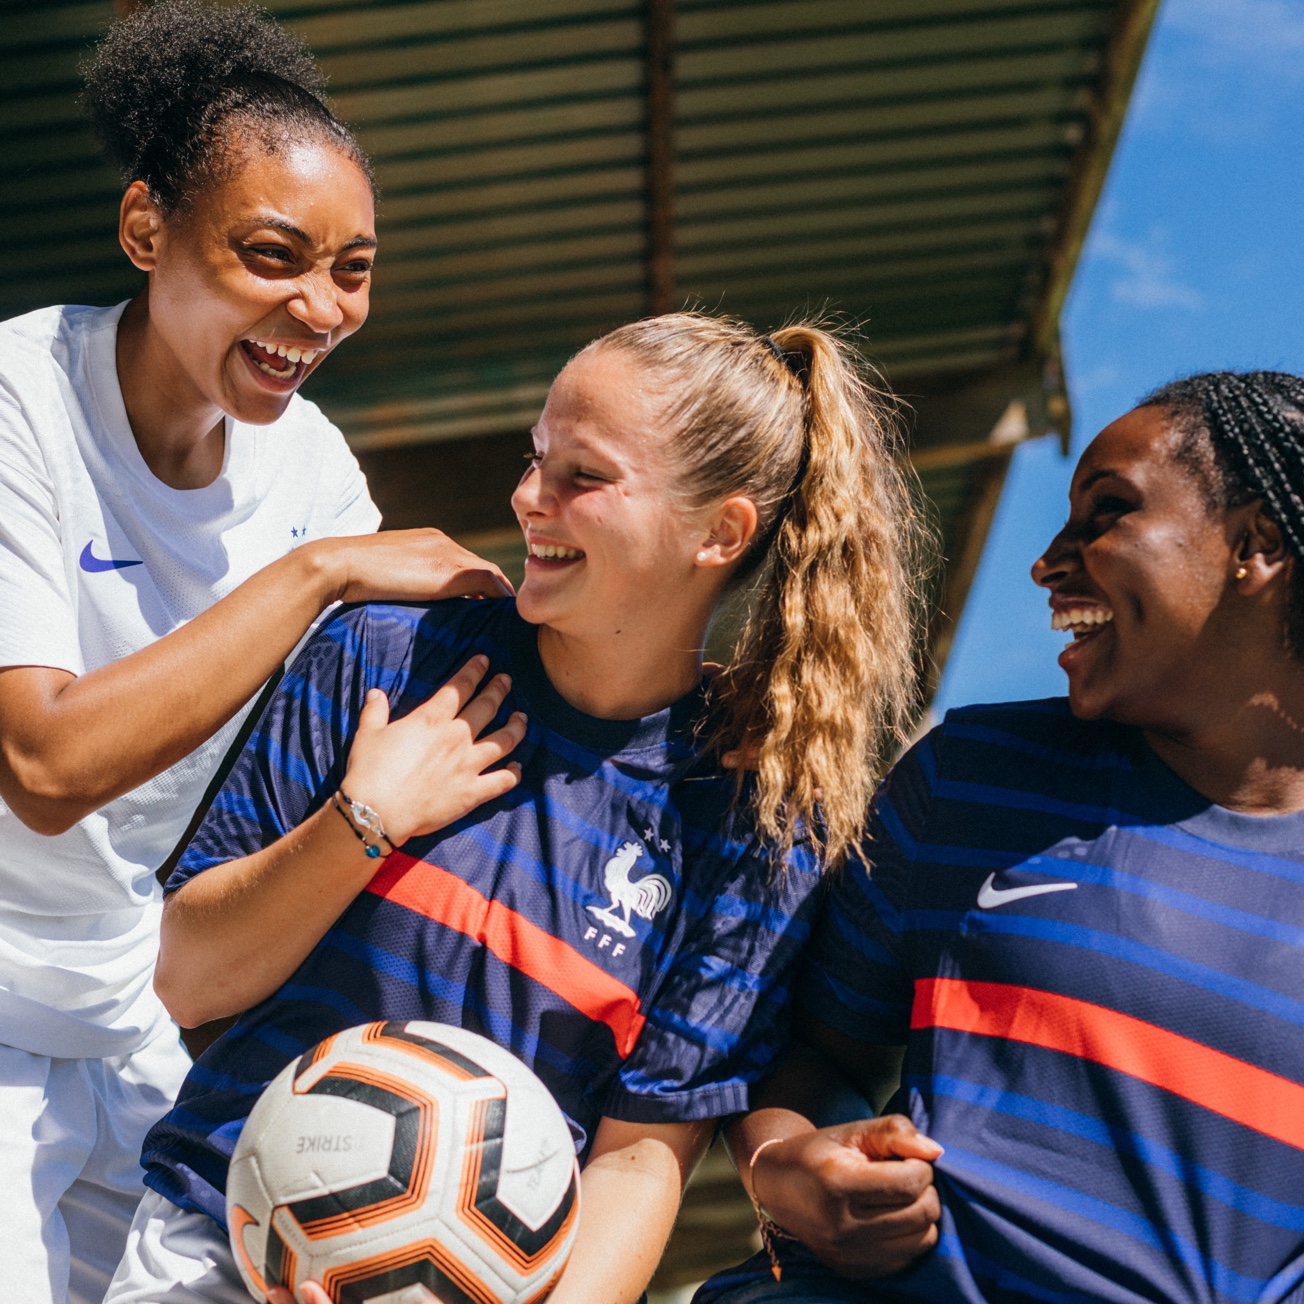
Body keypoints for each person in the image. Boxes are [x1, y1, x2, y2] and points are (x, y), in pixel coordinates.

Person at [99, 310, 931, 1304]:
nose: (526, 496)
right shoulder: (384, 656)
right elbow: (189, 978)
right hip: (214, 1249)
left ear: (719, 531)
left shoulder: (753, 823)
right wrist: (364, 817)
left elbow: (637, 1158)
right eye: (533, 457)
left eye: (581, 476)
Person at [0, 6, 514, 1301]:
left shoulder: (310, 467)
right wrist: (320, 573)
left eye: (354, 267)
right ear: (144, 231)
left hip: (137, 1034)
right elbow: (47, 761)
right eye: (273, 254)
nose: (321, 306)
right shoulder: (20, 405)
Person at [697, 370, 1304, 1303]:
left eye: (1105, 513)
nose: (1050, 561)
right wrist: (788, 1168)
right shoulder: (974, 776)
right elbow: (813, 1053)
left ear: (1254, 546)